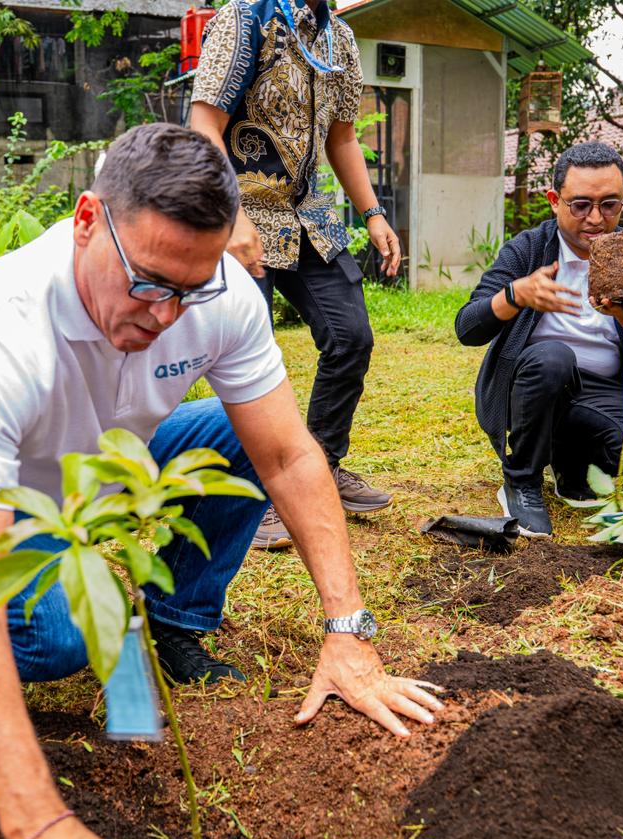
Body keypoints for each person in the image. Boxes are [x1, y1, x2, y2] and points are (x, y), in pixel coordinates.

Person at [0, 124, 443, 839]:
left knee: (246, 430)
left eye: (190, 289)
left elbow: (291, 460)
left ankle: (175, 619)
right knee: (64, 637)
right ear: (85, 221)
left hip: (105, 475)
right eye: (146, 283)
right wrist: (40, 826)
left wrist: (347, 629)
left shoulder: (217, 291)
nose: (165, 314)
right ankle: (16, 642)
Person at [189, 0, 402, 550]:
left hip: (307, 213)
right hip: (242, 212)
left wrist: (374, 214)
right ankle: (256, 493)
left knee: (351, 336)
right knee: (247, 359)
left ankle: (322, 465)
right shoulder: (245, 19)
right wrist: (230, 216)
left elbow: (343, 138)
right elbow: (203, 124)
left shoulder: (341, 39)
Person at [454, 141, 623, 537]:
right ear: (555, 201)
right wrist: (514, 295)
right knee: (553, 357)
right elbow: (467, 328)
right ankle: (521, 480)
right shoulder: (528, 249)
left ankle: (571, 467)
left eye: (609, 205)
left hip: (602, 389)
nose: (595, 218)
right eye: (580, 205)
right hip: (536, 381)